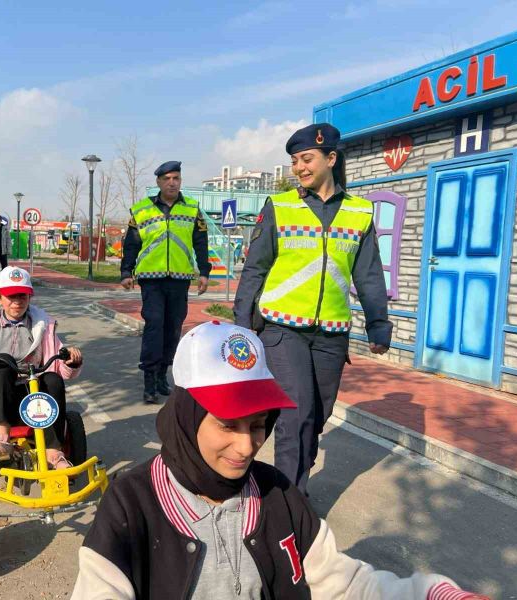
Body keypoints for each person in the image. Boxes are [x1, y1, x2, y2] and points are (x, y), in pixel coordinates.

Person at [71, 321, 489, 600]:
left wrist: (430, 592)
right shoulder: (132, 504)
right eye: (228, 425)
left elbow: (344, 583)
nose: (247, 447)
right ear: (186, 415)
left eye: (258, 425)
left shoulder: (278, 495)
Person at [233, 123, 392, 495]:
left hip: (331, 334)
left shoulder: (359, 213)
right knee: (296, 413)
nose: (299, 168)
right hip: (282, 328)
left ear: (331, 159)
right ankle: (290, 501)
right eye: (294, 161)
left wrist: (378, 325)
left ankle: (271, 483)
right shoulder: (281, 207)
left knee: (317, 417)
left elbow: (368, 275)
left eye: (306, 159)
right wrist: (242, 325)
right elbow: (255, 267)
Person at [0, 267, 83, 470]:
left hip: (32, 398)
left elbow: (59, 361)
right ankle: (1, 439)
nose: (17, 302)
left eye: (22, 296)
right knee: (2, 362)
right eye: (11, 296)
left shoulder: (42, 325)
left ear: (29, 297)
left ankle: (53, 451)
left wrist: (70, 361)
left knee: (53, 379)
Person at [121, 161, 211, 404]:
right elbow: (131, 243)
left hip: (180, 279)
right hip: (151, 279)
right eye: (167, 178)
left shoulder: (192, 208)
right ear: (159, 182)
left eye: (176, 178)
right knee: (155, 326)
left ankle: (163, 375)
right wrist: (126, 271)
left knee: (172, 329)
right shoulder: (141, 210)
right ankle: (149, 380)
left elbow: (201, 243)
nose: (172, 182)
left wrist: (204, 272)